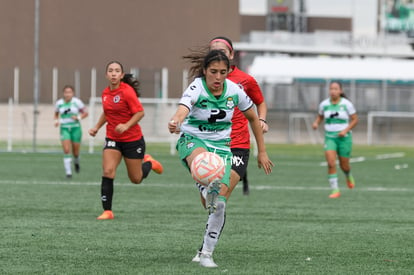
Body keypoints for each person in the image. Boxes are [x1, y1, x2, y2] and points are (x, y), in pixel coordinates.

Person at [168, 50, 274, 268]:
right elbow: (182, 109)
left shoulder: (235, 91)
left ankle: (206, 253)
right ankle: (207, 188)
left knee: (219, 204)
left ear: (228, 73)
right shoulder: (197, 87)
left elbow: (253, 118)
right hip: (193, 140)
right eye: (213, 72)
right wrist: (176, 121)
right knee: (201, 164)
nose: (217, 77)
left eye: (222, 73)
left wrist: (261, 151)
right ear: (205, 70)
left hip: (222, 148)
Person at [184, 37, 269, 197]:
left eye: (222, 51)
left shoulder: (246, 80)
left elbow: (261, 102)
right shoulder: (201, 82)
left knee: (220, 195)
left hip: (237, 143)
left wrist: (262, 120)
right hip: (211, 140)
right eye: (213, 51)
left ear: (231, 55)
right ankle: (204, 187)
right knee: (211, 198)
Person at [89, 61, 163, 220]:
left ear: (122, 75)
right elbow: (107, 113)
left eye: (117, 71)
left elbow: (140, 113)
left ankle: (149, 162)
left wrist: (126, 125)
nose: (114, 73)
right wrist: (96, 127)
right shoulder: (105, 93)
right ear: (106, 75)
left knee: (136, 179)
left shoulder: (127, 92)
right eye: (110, 71)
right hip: (113, 138)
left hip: (132, 139)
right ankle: (107, 211)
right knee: (108, 171)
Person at [312, 80, 358, 198]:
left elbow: (355, 119)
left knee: (344, 165)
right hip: (330, 138)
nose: (333, 91)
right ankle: (335, 190)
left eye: (335, 89)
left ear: (340, 91)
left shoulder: (347, 104)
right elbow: (320, 116)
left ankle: (348, 175)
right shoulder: (324, 104)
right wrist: (316, 123)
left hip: (344, 138)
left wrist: (345, 130)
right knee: (331, 163)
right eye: (331, 89)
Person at [54, 85, 88, 178]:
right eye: (66, 92)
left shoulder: (77, 102)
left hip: (75, 128)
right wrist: (56, 121)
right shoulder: (59, 103)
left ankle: (76, 162)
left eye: (70, 92)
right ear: (63, 93)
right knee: (66, 150)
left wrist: (78, 117)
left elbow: (85, 113)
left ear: (72, 93)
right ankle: (68, 173)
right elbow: (56, 113)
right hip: (64, 128)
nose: (68, 94)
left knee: (75, 152)